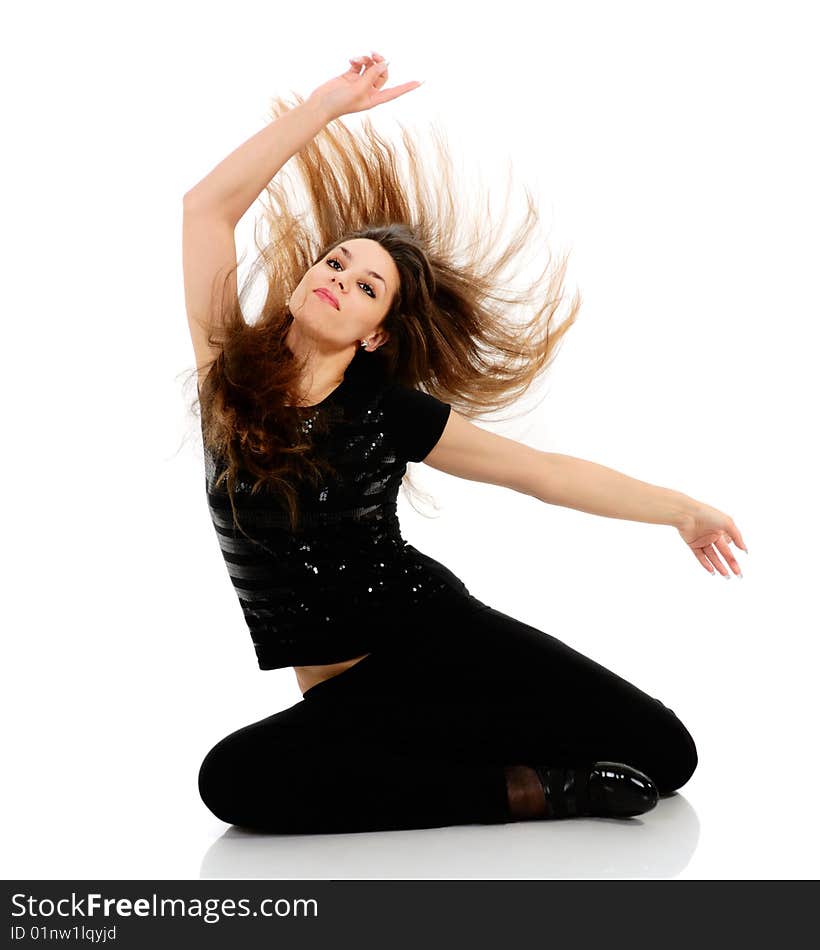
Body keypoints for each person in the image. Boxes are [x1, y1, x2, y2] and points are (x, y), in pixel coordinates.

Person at [182, 52, 746, 835]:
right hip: (346, 696)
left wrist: (682, 511)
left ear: (376, 333)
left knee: (666, 753)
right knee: (233, 784)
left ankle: (450, 759)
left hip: (435, 637)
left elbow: (538, 473)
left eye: (367, 286)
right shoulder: (226, 372)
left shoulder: (387, 411)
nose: (340, 277)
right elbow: (206, 210)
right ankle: (533, 792)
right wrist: (323, 108)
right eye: (338, 261)